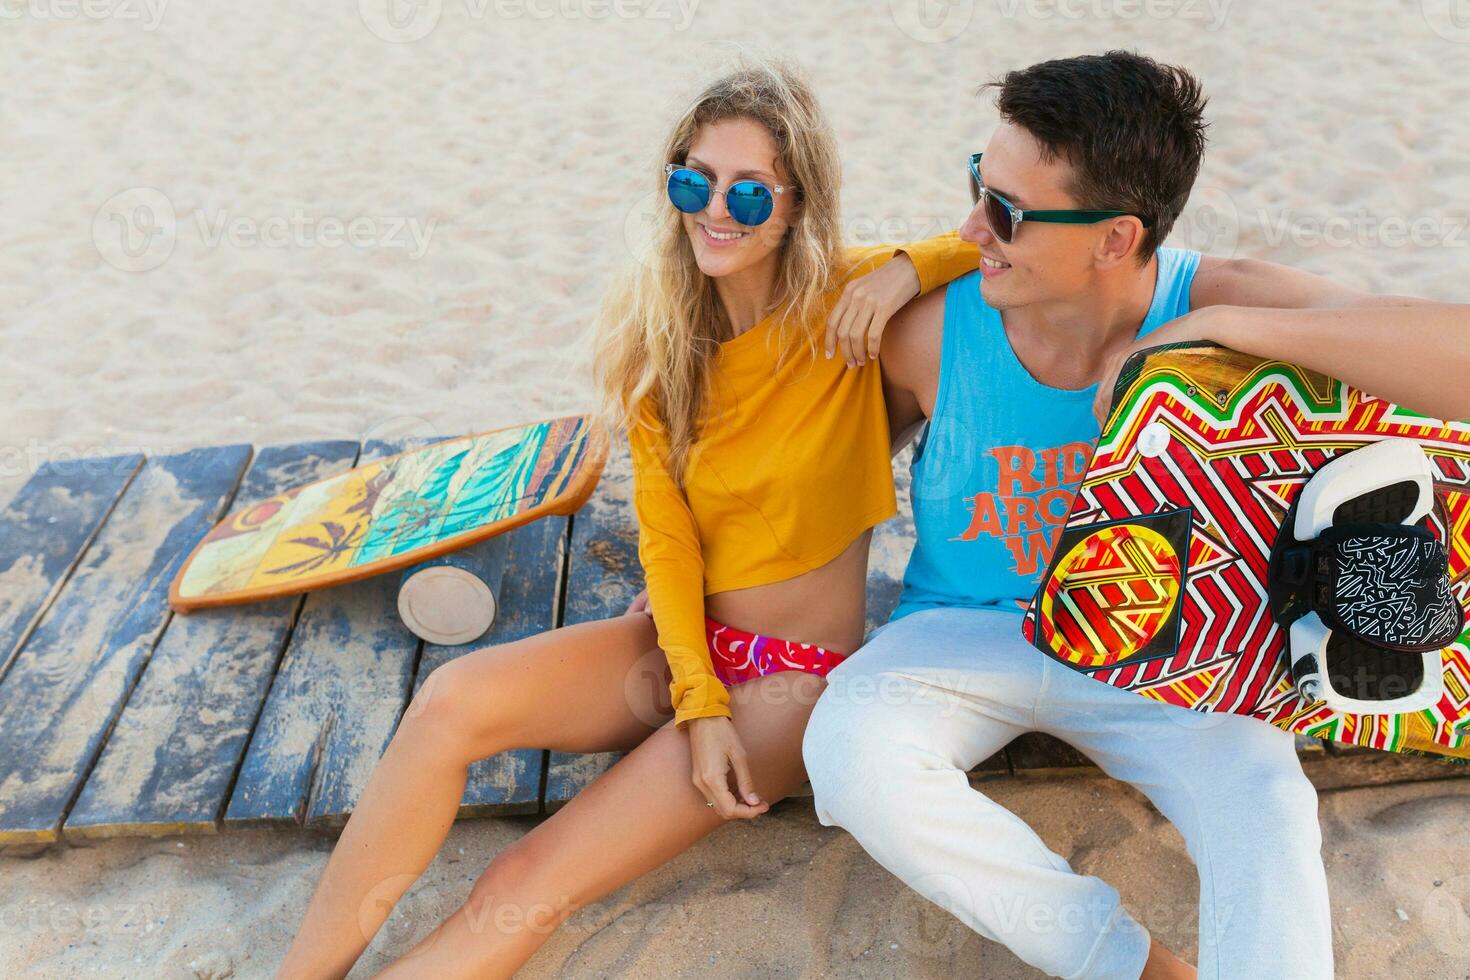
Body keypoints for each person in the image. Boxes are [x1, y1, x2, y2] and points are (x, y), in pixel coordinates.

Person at [276, 59, 977, 979]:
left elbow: (989, 238)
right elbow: (669, 539)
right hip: (680, 646)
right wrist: (695, 692)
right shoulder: (663, 346)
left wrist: (903, 267)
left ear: (799, 202)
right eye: (693, 179)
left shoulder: (848, 312)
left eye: (749, 193)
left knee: (526, 878)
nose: (714, 209)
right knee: (449, 702)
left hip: (789, 683)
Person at [801, 50, 1470, 980]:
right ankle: (1133, 968)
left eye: (1008, 213)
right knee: (850, 749)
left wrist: (1227, 332)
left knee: (1268, 805)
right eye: (976, 184)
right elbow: (817, 494)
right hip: (966, 634)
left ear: (1117, 238)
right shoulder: (932, 329)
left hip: (1176, 650)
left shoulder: (1214, 293)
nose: (971, 228)